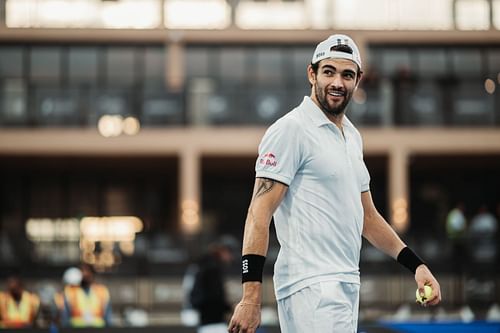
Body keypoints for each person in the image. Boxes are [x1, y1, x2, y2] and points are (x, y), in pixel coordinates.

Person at [228, 34, 441, 333]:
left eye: (347, 74)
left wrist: (416, 265)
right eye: (328, 71)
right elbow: (258, 214)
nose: (337, 82)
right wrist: (250, 298)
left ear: (358, 80)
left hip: (345, 282)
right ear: (311, 73)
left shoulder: (352, 136)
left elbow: (368, 217)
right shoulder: (291, 129)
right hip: (312, 286)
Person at [189, 236, 237, 333]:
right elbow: (214, 297)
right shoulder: (212, 269)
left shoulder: (203, 265)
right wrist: (231, 307)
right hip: (213, 325)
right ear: (222, 251)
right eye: (229, 253)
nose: (231, 257)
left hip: (206, 323)